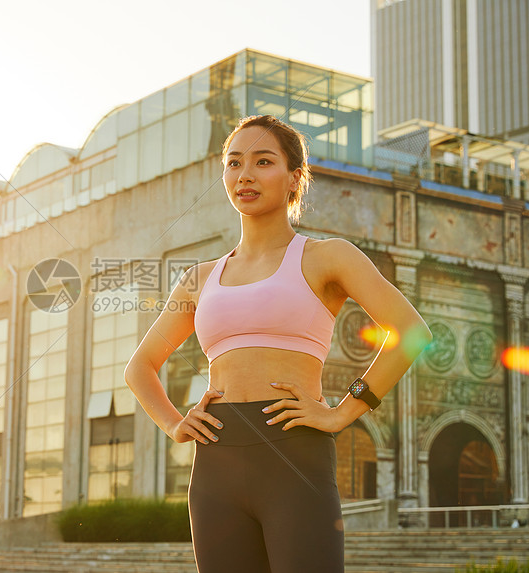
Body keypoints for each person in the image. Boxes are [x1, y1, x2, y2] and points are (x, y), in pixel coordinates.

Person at [123, 114, 432, 572]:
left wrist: (343, 411)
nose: (244, 174)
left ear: (294, 178)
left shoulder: (328, 257)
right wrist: (174, 424)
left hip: (294, 452)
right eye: (234, 162)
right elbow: (140, 367)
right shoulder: (199, 278)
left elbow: (411, 333)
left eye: (263, 161)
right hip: (216, 463)